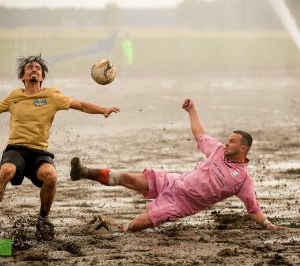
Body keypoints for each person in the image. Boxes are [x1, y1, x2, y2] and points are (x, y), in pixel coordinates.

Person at [70, 98, 285, 232]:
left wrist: (268, 224)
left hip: (182, 204)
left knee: (137, 225)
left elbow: (253, 209)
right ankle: (83, 172)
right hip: (173, 181)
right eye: (228, 139)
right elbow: (199, 134)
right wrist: (192, 110)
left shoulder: (243, 180)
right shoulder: (218, 150)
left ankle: (117, 229)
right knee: (130, 178)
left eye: (232, 141)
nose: (227, 143)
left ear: (243, 149)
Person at [0, 55, 120, 241]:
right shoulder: (14, 97)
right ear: (23, 76)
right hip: (15, 150)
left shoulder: (52, 95)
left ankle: (42, 220)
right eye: (30, 67)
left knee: (51, 176)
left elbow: (80, 105)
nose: (34, 70)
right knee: (6, 170)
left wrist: (102, 109)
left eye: (37, 68)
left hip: (39, 153)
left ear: (42, 77)